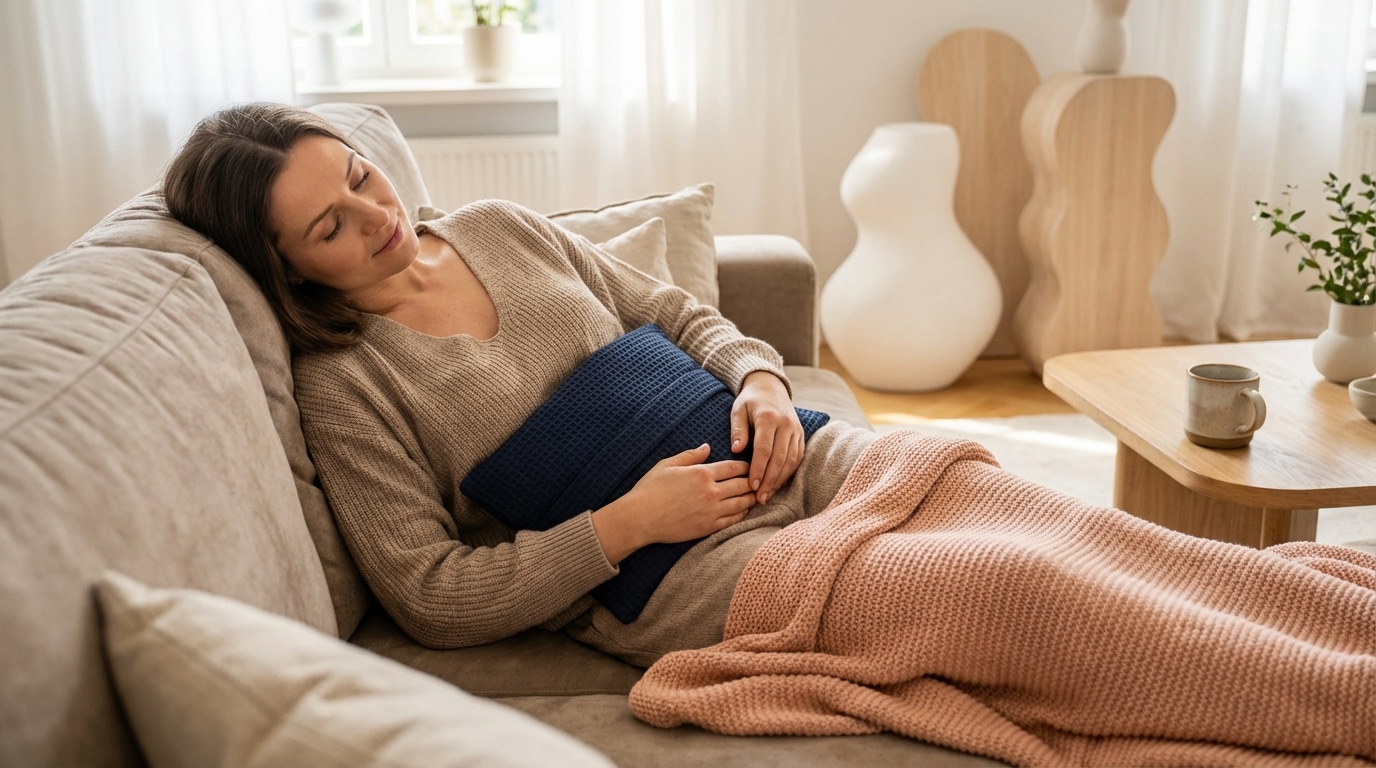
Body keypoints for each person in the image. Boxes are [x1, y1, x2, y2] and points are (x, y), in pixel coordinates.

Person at [163, 102, 1375, 764]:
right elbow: (431, 594)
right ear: (287, 268)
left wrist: (749, 381)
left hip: (785, 444)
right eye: (328, 227)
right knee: (1011, 586)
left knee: (1064, 529)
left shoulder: (495, 222)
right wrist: (621, 525)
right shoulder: (347, 386)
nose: (373, 219)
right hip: (687, 568)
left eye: (361, 180)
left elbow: (675, 310)